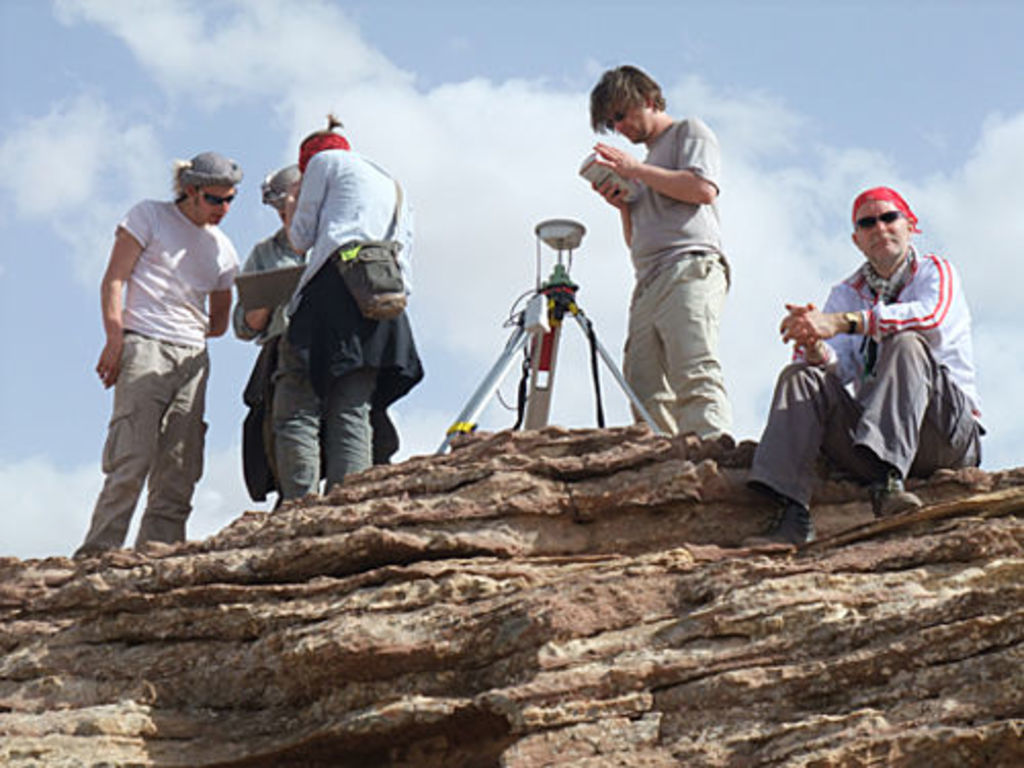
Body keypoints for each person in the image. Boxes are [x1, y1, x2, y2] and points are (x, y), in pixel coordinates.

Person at [747, 186, 983, 545]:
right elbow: (839, 366)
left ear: (910, 225)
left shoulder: (936, 271)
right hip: (873, 440)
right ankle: (790, 511)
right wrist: (814, 348)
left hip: (944, 433)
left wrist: (844, 322)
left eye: (889, 217)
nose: (880, 228)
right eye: (867, 222)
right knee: (800, 377)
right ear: (857, 239)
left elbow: (930, 317)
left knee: (905, 342)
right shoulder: (845, 292)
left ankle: (890, 484)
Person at [76, 151, 242, 556]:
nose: (223, 208)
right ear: (190, 191)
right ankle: (98, 554)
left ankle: (157, 554)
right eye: (215, 199)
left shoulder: (224, 249)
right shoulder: (148, 216)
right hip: (143, 345)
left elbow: (220, 320)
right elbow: (114, 280)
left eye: (230, 200)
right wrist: (116, 338)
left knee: (180, 465)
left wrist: (189, 326)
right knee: (131, 455)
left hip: (192, 357)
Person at [588, 64, 731, 440]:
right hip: (648, 280)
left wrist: (636, 170)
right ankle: (666, 461)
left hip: (689, 265)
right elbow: (637, 242)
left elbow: (703, 189)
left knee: (693, 365)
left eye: (621, 115)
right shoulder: (645, 167)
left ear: (648, 99)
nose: (619, 127)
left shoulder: (689, 132)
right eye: (611, 122)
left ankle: (714, 451)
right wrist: (623, 205)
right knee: (644, 385)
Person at [285, 116, 423, 490]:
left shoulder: (322, 164)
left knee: (301, 405)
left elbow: (300, 240)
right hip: (383, 297)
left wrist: (295, 201)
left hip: (334, 293)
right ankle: (352, 498)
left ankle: (305, 504)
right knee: (355, 404)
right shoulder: (392, 182)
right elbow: (404, 257)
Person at [233, 164, 323, 503]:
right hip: (282, 350)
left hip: (331, 345)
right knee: (286, 430)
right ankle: (299, 501)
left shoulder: (332, 237)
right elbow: (244, 325)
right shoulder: (265, 253)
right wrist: (269, 295)